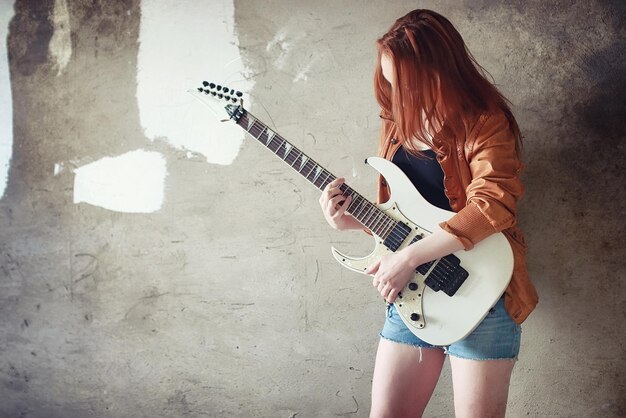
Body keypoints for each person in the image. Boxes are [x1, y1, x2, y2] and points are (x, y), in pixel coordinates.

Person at [318, 9, 538, 418]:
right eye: (388, 79)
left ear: (438, 71)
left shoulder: (486, 123)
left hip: (480, 295)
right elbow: (404, 218)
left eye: (404, 81)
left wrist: (408, 258)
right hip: (413, 294)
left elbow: (493, 206)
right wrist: (350, 221)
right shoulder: (396, 124)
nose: (394, 91)